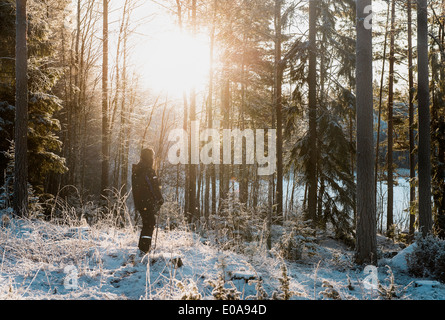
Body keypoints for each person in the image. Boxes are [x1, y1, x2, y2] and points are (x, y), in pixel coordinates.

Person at [132, 148, 164, 254]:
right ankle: (144, 249)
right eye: (152, 156)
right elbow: (153, 187)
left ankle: (143, 248)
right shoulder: (148, 171)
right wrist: (159, 199)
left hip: (140, 203)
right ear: (149, 157)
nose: (153, 159)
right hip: (147, 202)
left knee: (147, 223)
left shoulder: (137, 169)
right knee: (149, 223)